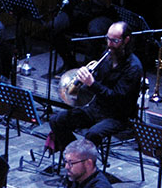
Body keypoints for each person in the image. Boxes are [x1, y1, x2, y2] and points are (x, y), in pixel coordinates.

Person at [48, 21, 143, 156]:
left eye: (114, 41)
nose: (109, 44)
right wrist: (84, 77)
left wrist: (92, 84)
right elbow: (96, 81)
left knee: (92, 134)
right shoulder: (108, 56)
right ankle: (74, 156)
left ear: (126, 40)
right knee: (56, 120)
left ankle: (84, 164)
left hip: (117, 116)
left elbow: (116, 98)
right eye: (108, 39)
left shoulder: (133, 68)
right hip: (96, 108)